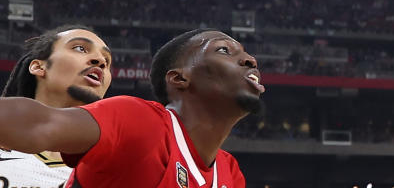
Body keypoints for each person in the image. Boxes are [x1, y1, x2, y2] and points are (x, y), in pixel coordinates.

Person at [0, 28, 261, 188]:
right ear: (180, 78)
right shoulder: (139, 121)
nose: (250, 60)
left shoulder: (230, 173)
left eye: (108, 60)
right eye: (225, 50)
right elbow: (39, 124)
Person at [0, 26, 113, 187]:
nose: (100, 61)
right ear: (39, 67)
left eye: (107, 61)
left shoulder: (115, 168)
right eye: (80, 48)